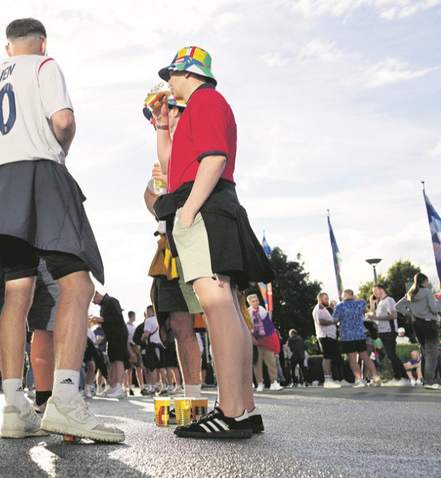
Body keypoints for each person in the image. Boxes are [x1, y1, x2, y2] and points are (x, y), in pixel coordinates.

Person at [0, 18, 123, 442]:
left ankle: (15, 406)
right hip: (41, 174)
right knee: (79, 285)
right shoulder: (43, 65)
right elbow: (65, 121)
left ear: (7, 46)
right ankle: (67, 400)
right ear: (41, 42)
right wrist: (60, 152)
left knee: (17, 295)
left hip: (0, 185)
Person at [152, 46, 275, 438]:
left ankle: (231, 411)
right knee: (228, 308)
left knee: (218, 304)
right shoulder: (200, 105)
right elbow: (173, 168)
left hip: (204, 205)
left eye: (171, 74)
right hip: (212, 203)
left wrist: (187, 210)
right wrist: (163, 126)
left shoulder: (205, 99)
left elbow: (214, 158)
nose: (167, 82)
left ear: (187, 72)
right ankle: (243, 408)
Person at [143, 96, 205, 402]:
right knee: (180, 323)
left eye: (168, 116)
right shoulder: (162, 158)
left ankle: (237, 396)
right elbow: (150, 203)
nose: (161, 123)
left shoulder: (195, 144)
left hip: (198, 238)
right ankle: (192, 394)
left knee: (218, 317)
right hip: (169, 247)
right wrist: (157, 188)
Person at [395, 273, 441, 390]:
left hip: (417, 325)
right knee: (432, 352)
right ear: (425, 281)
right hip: (428, 323)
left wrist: (411, 313)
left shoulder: (411, 293)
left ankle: (431, 380)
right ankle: (429, 381)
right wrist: (440, 301)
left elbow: (398, 306)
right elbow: (435, 309)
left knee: (425, 352)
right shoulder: (427, 292)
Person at [333, 289, 381, 387]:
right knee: (366, 357)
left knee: (353, 360)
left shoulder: (339, 306)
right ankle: (375, 377)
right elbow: (367, 312)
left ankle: (360, 380)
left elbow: (334, 320)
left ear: (344, 295)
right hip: (360, 334)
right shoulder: (360, 303)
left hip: (347, 336)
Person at [92, 292, 130, 398]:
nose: (94, 303)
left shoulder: (112, 301)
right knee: (112, 361)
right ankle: (112, 386)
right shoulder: (103, 306)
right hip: (111, 336)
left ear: (97, 296)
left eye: (93, 301)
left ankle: (119, 387)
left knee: (118, 360)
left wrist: (102, 320)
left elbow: (118, 318)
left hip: (119, 334)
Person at [367, 284, 404, 385]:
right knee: (390, 355)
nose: (374, 293)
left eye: (375, 291)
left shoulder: (389, 300)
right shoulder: (380, 302)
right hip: (383, 331)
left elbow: (394, 315)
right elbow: (373, 315)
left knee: (391, 354)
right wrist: (372, 303)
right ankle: (397, 377)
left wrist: (377, 318)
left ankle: (404, 377)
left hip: (389, 330)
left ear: (381, 289)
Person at [246, 294, 283, 392]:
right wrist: (252, 339)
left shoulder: (263, 311)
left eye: (257, 301)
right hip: (255, 340)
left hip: (266, 340)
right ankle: (260, 382)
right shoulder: (247, 313)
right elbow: (247, 328)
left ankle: (274, 381)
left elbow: (268, 326)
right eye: (253, 301)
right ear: (249, 303)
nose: (256, 303)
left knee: (271, 361)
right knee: (257, 363)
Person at [313, 292, 343, 388]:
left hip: (330, 336)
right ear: (320, 299)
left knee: (332, 357)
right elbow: (320, 321)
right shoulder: (319, 308)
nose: (328, 300)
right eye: (326, 298)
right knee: (327, 357)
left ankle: (332, 378)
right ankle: (327, 379)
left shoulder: (324, 309)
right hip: (324, 336)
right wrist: (332, 321)